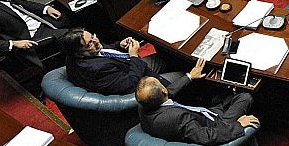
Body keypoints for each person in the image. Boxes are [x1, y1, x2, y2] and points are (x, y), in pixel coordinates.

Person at [62, 28, 204, 99]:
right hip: (138, 80)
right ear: (79, 53)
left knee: (167, 56)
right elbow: (131, 84)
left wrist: (119, 45)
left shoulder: (78, 54)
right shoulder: (97, 70)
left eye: (93, 37)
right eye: (90, 44)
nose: (96, 41)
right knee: (181, 74)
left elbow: (102, 51)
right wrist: (134, 56)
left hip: (126, 65)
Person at [136, 75, 257, 146]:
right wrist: (239, 125)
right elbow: (207, 137)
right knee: (245, 97)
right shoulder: (178, 118)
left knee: (222, 93)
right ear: (163, 90)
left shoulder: (145, 103)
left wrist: (189, 76)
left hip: (202, 114)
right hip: (216, 125)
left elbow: (166, 93)